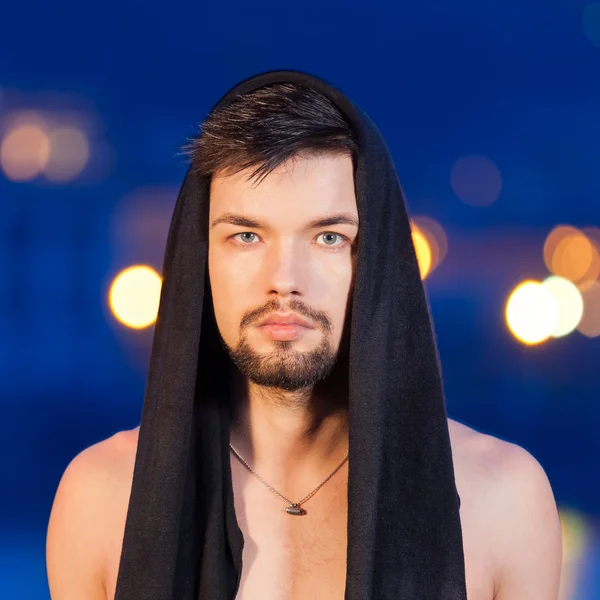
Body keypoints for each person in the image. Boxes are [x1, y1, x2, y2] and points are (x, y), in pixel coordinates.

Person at [46, 71, 563, 600]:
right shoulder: (101, 498)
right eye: (246, 236)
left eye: (328, 237)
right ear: (200, 257)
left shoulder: (503, 501)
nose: (285, 280)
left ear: (376, 259)